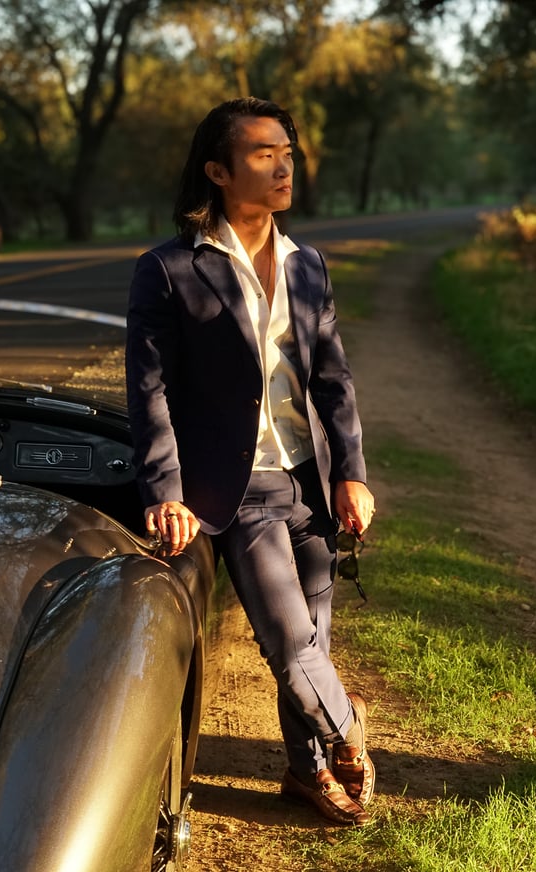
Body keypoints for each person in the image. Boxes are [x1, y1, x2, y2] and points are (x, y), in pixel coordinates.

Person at [125, 97, 376, 827]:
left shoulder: (307, 265)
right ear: (218, 171)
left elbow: (333, 377)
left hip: (311, 481)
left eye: (287, 151)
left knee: (313, 642)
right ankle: (348, 728)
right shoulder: (169, 269)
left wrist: (351, 471)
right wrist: (165, 489)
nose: (283, 163)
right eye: (263, 152)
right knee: (291, 644)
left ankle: (306, 771)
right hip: (241, 490)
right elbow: (150, 390)